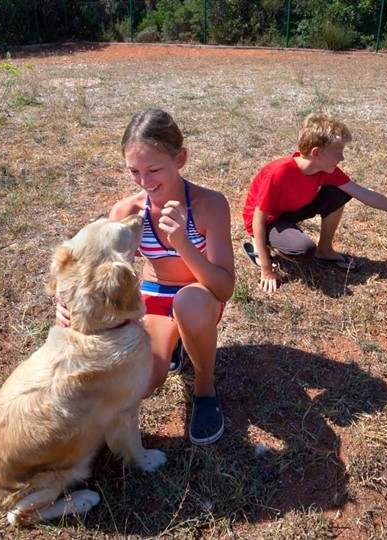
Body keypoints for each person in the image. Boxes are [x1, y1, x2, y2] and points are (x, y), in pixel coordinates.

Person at [58, 109, 235, 446]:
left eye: (154, 170)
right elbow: (92, 267)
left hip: (201, 296)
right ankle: (177, 343)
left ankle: (205, 388)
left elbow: (224, 286)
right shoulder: (126, 212)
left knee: (189, 302)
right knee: (144, 383)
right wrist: (65, 302)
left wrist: (182, 243)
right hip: (154, 298)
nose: (144, 181)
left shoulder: (209, 204)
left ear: (180, 159)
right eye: (134, 172)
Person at [242, 113, 387, 293]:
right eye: (338, 152)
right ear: (316, 152)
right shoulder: (280, 173)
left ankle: (325, 250)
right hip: (267, 220)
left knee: (338, 192)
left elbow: (367, 196)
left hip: (291, 209)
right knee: (303, 250)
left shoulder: (325, 170)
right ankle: (263, 246)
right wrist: (266, 269)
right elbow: (258, 218)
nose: (342, 157)